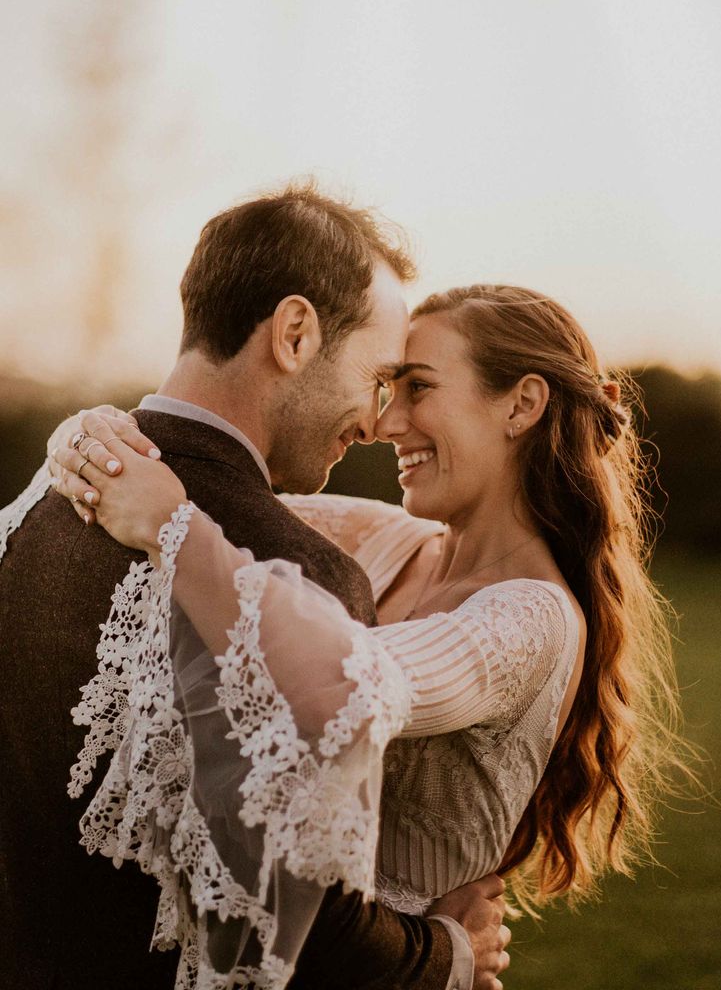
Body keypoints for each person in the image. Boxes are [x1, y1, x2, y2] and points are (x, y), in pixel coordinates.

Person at [47, 285, 686, 984]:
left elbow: (343, 684)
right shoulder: (388, 538)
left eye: (418, 388)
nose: (388, 423)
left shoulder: (533, 623)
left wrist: (173, 529)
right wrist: (86, 435)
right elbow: (202, 477)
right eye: (388, 388)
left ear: (522, 405)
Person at [0, 184, 509, 990]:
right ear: (296, 333)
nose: (377, 422)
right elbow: (303, 929)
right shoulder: (298, 577)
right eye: (376, 377)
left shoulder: (34, 509)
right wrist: (449, 953)